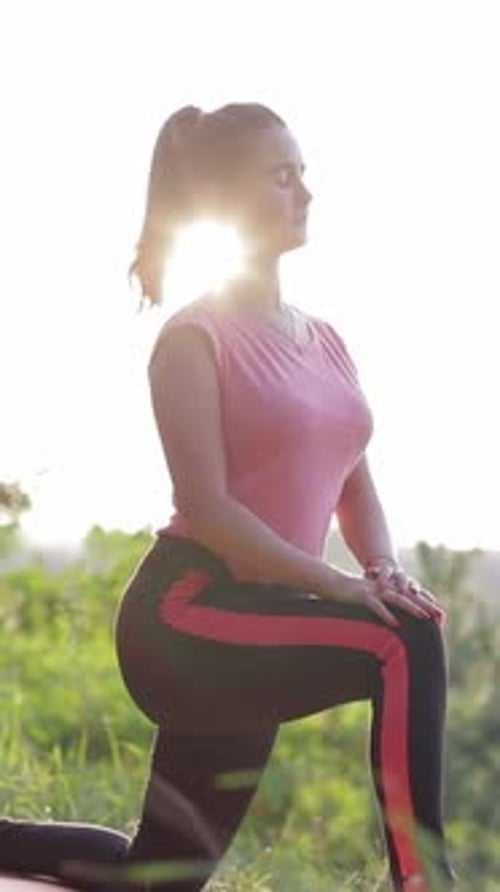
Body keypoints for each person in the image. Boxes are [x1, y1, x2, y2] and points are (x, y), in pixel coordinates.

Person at [0, 103, 455, 892]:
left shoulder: (326, 340)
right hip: (185, 616)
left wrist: (379, 567)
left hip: (260, 620)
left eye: (303, 174)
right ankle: (424, 882)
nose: (305, 193)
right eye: (282, 178)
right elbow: (207, 509)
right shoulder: (192, 339)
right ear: (224, 200)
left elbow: (356, 479)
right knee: (404, 642)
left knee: (159, 878)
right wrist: (341, 588)